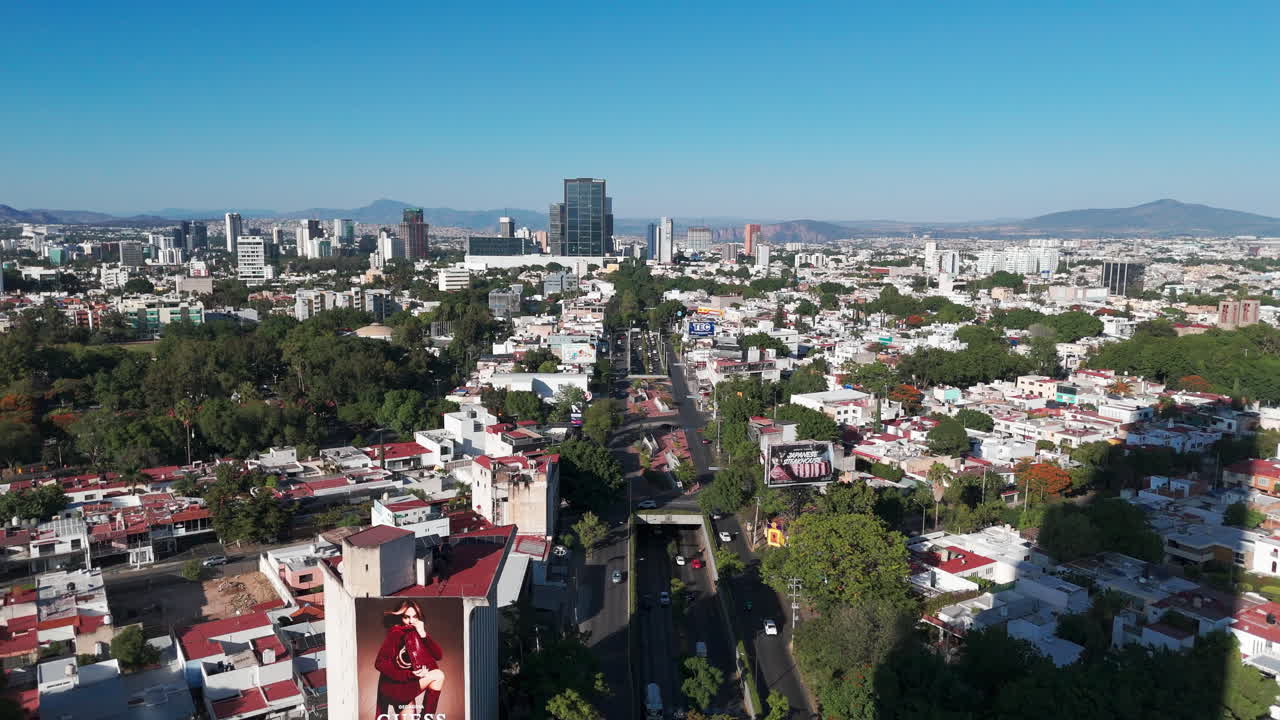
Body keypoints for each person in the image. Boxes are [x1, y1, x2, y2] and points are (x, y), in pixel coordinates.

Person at [374, 599, 445, 720]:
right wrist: (410, 674)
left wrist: (423, 634)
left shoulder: (417, 633)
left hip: (407, 685)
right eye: (406, 617)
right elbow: (380, 663)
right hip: (396, 687)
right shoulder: (396, 633)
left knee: (438, 676)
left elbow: (438, 655)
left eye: (414, 617)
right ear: (400, 617)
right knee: (438, 675)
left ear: (419, 617)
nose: (411, 621)